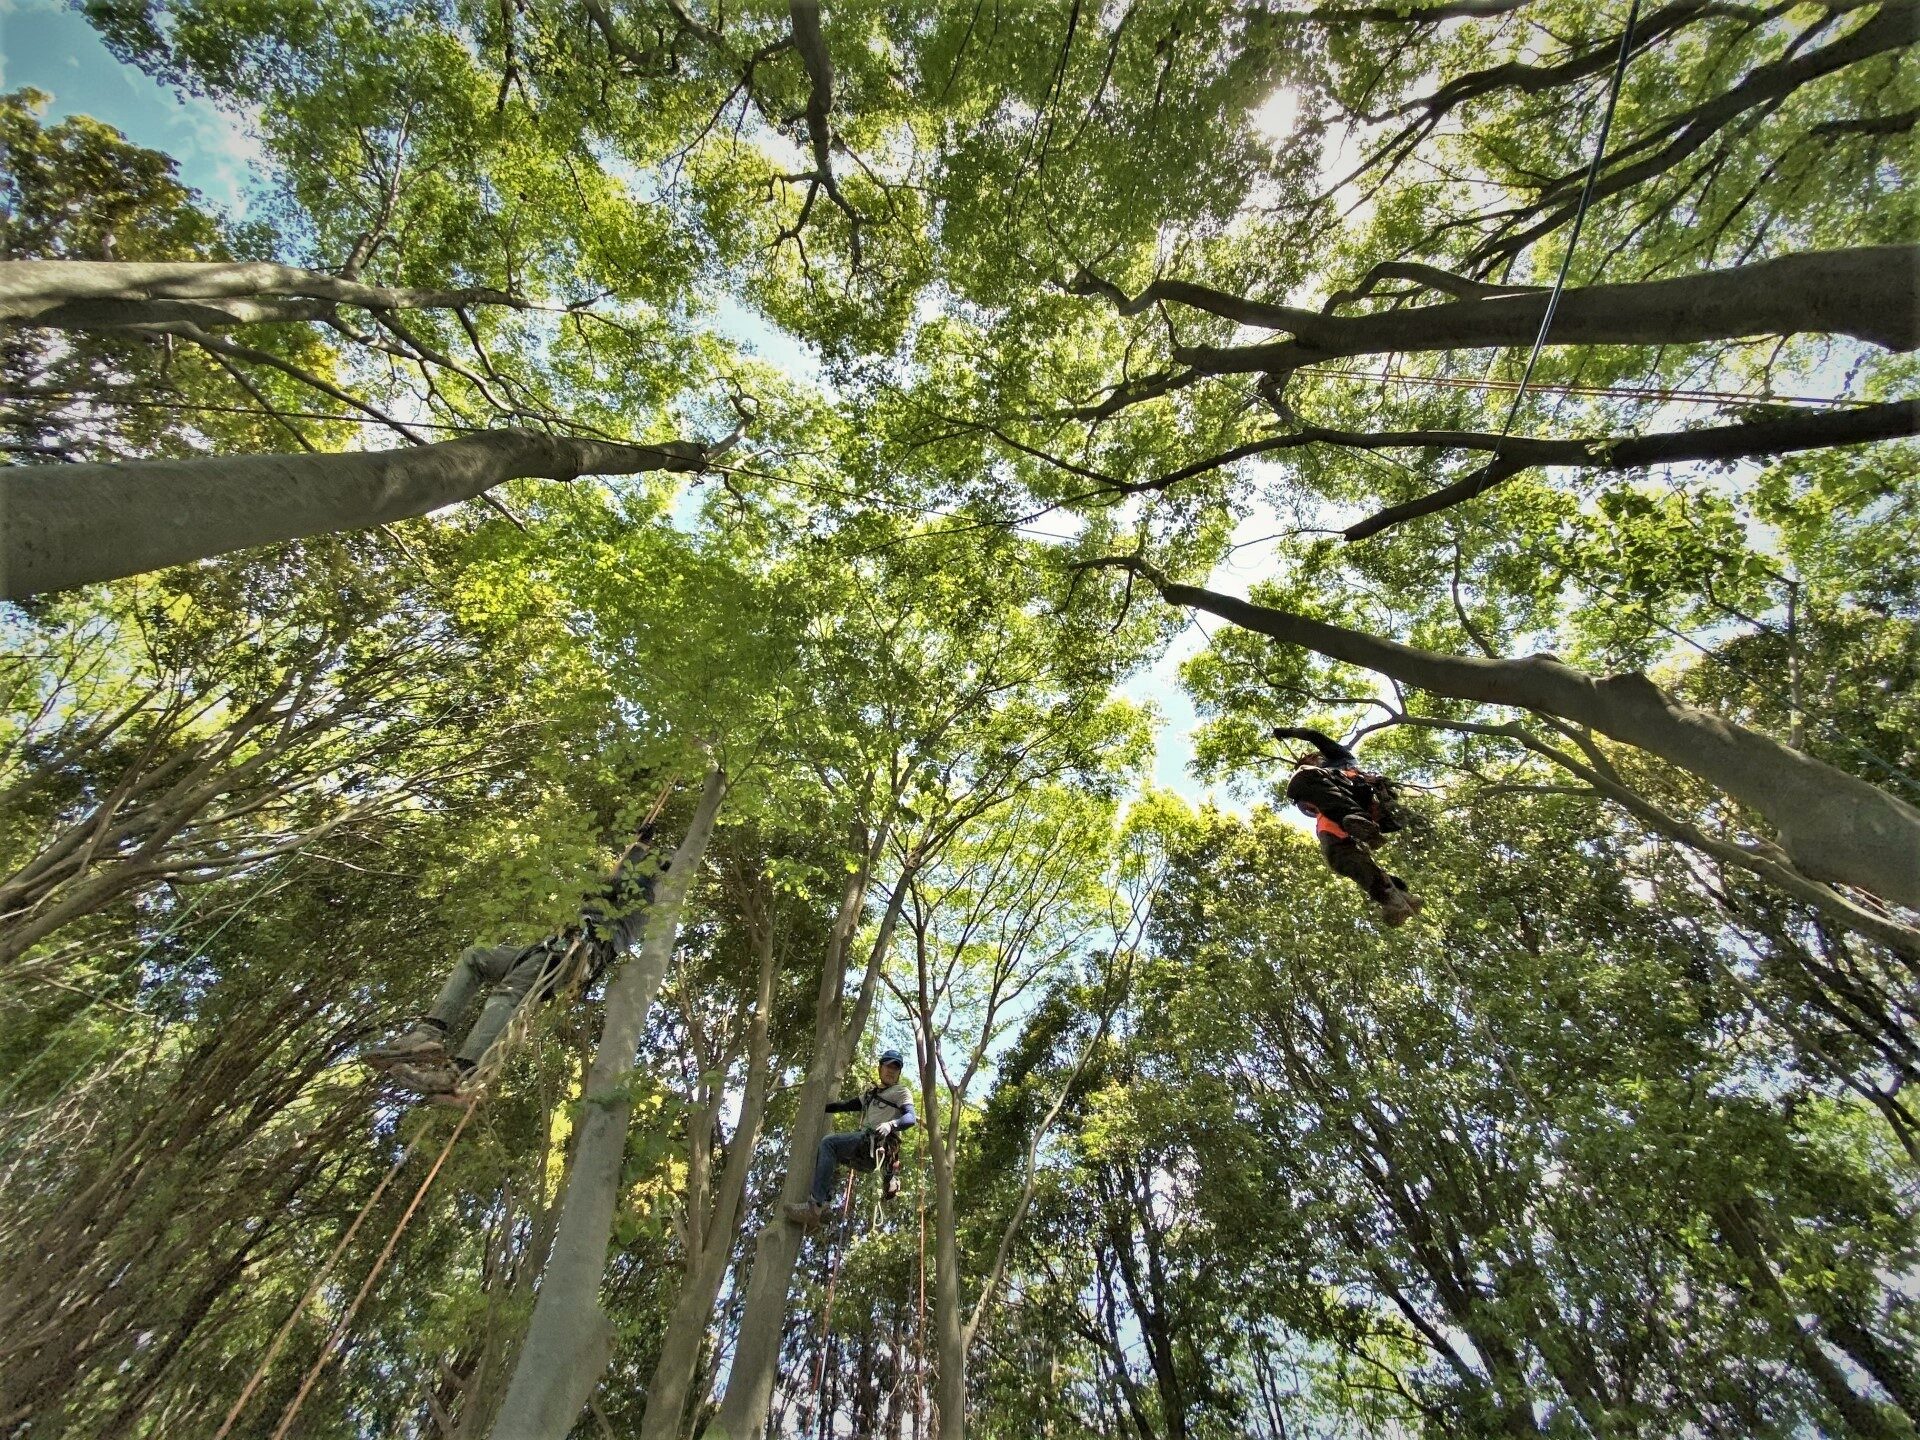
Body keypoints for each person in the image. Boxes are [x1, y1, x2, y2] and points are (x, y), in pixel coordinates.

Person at [361, 830, 664, 1101]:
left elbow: (622, 880)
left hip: (574, 955)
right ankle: (427, 1034)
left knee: (507, 994)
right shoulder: (616, 892)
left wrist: (639, 847)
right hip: (548, 948)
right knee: (475, 957)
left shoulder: (641, 901)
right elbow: (608, 883)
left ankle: (462, 1072)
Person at [1273, 725, 1423, 927]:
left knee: (1303, 777)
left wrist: (1287, 732)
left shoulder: (1339, 759)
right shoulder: (1314, 784)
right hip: (1337, 812)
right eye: (1302, 762)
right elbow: (1314, 805)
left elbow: (1314, 735)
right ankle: (1395, 898)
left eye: (1309, 758)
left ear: (1318, 757)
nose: (1306, 762)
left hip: (1358, 795)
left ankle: (1357, 819)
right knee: (1336, 854)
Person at [783, 1048, 917, 1228]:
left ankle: (814, 1205)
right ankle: (824, 1206)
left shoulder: (901, 1091)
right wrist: (819, 1106)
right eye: (888, 1066)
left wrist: (890, 1125)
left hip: (876, 1144)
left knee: (829, 1143)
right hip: (866, 1152)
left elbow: (910, 1118)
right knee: (830, 1155)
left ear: (899, 1072)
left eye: (895, 1068)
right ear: (880, 1068)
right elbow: (846, 1105)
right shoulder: (871, 1094)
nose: (891, 1071)